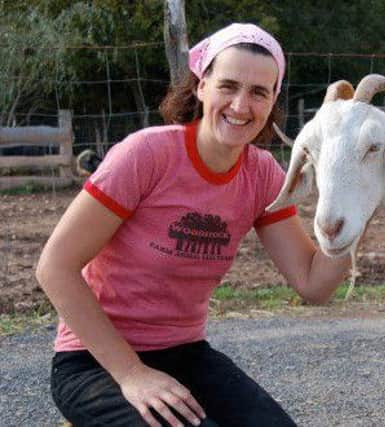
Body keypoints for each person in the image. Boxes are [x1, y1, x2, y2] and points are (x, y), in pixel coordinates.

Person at [36, 23, 350, 427]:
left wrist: (352, 207)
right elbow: (54, 268)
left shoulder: (262, 174)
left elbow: (313, 283)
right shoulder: (146, 154)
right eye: (228, 85)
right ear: (202, 86)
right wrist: (132, 375)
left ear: (273, 102)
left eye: (259, 92)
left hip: (185, 354)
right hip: (94, 364)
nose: (240, 106)